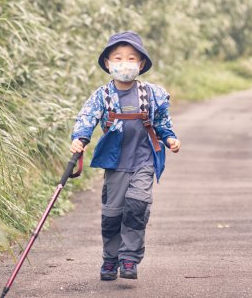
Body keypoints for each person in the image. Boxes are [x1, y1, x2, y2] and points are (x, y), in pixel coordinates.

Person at [70, 30, 181, 281]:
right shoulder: (102, 96)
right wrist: (80, 138)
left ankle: (129, 258)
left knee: (137, 206)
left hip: (144, 160)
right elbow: (87, 118)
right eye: (118, 58)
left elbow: (162, 123)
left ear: (141, 64)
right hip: (115, 163)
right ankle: (110, 259)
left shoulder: (152, 94)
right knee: (113, 213)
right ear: (108, 63)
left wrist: (170, 138)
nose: (125, 64)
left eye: (131, 59)